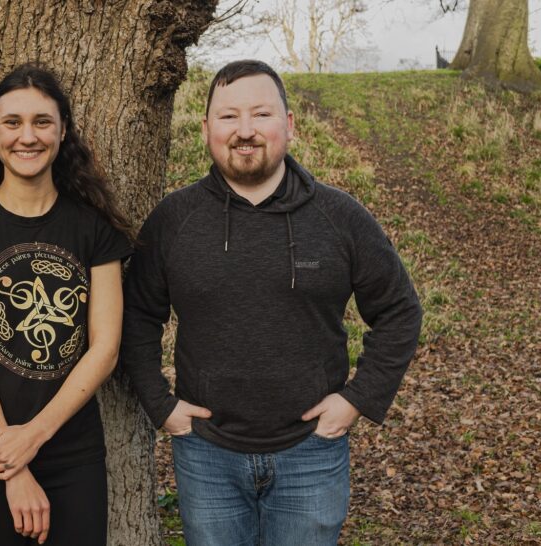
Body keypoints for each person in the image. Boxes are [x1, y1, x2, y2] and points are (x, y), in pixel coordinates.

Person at [121, 60, 423, 545]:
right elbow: (136, 315)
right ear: (206, 129)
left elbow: (400, 311)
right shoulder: (174, 221)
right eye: (228, 117)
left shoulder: (340, 217)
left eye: (261, 115)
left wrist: (356, 400)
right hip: (206, 455)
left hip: (311, 453)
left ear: (288, 125)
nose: (245, 131)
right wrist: (161, 405)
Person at [0, 64, 133, 546]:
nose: (28, 136)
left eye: (42, 121)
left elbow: (104, 349)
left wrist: (34, 437)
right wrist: (12, 464)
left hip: (72, 454)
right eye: (13, 122)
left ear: (63, 129)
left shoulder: (94, 227)